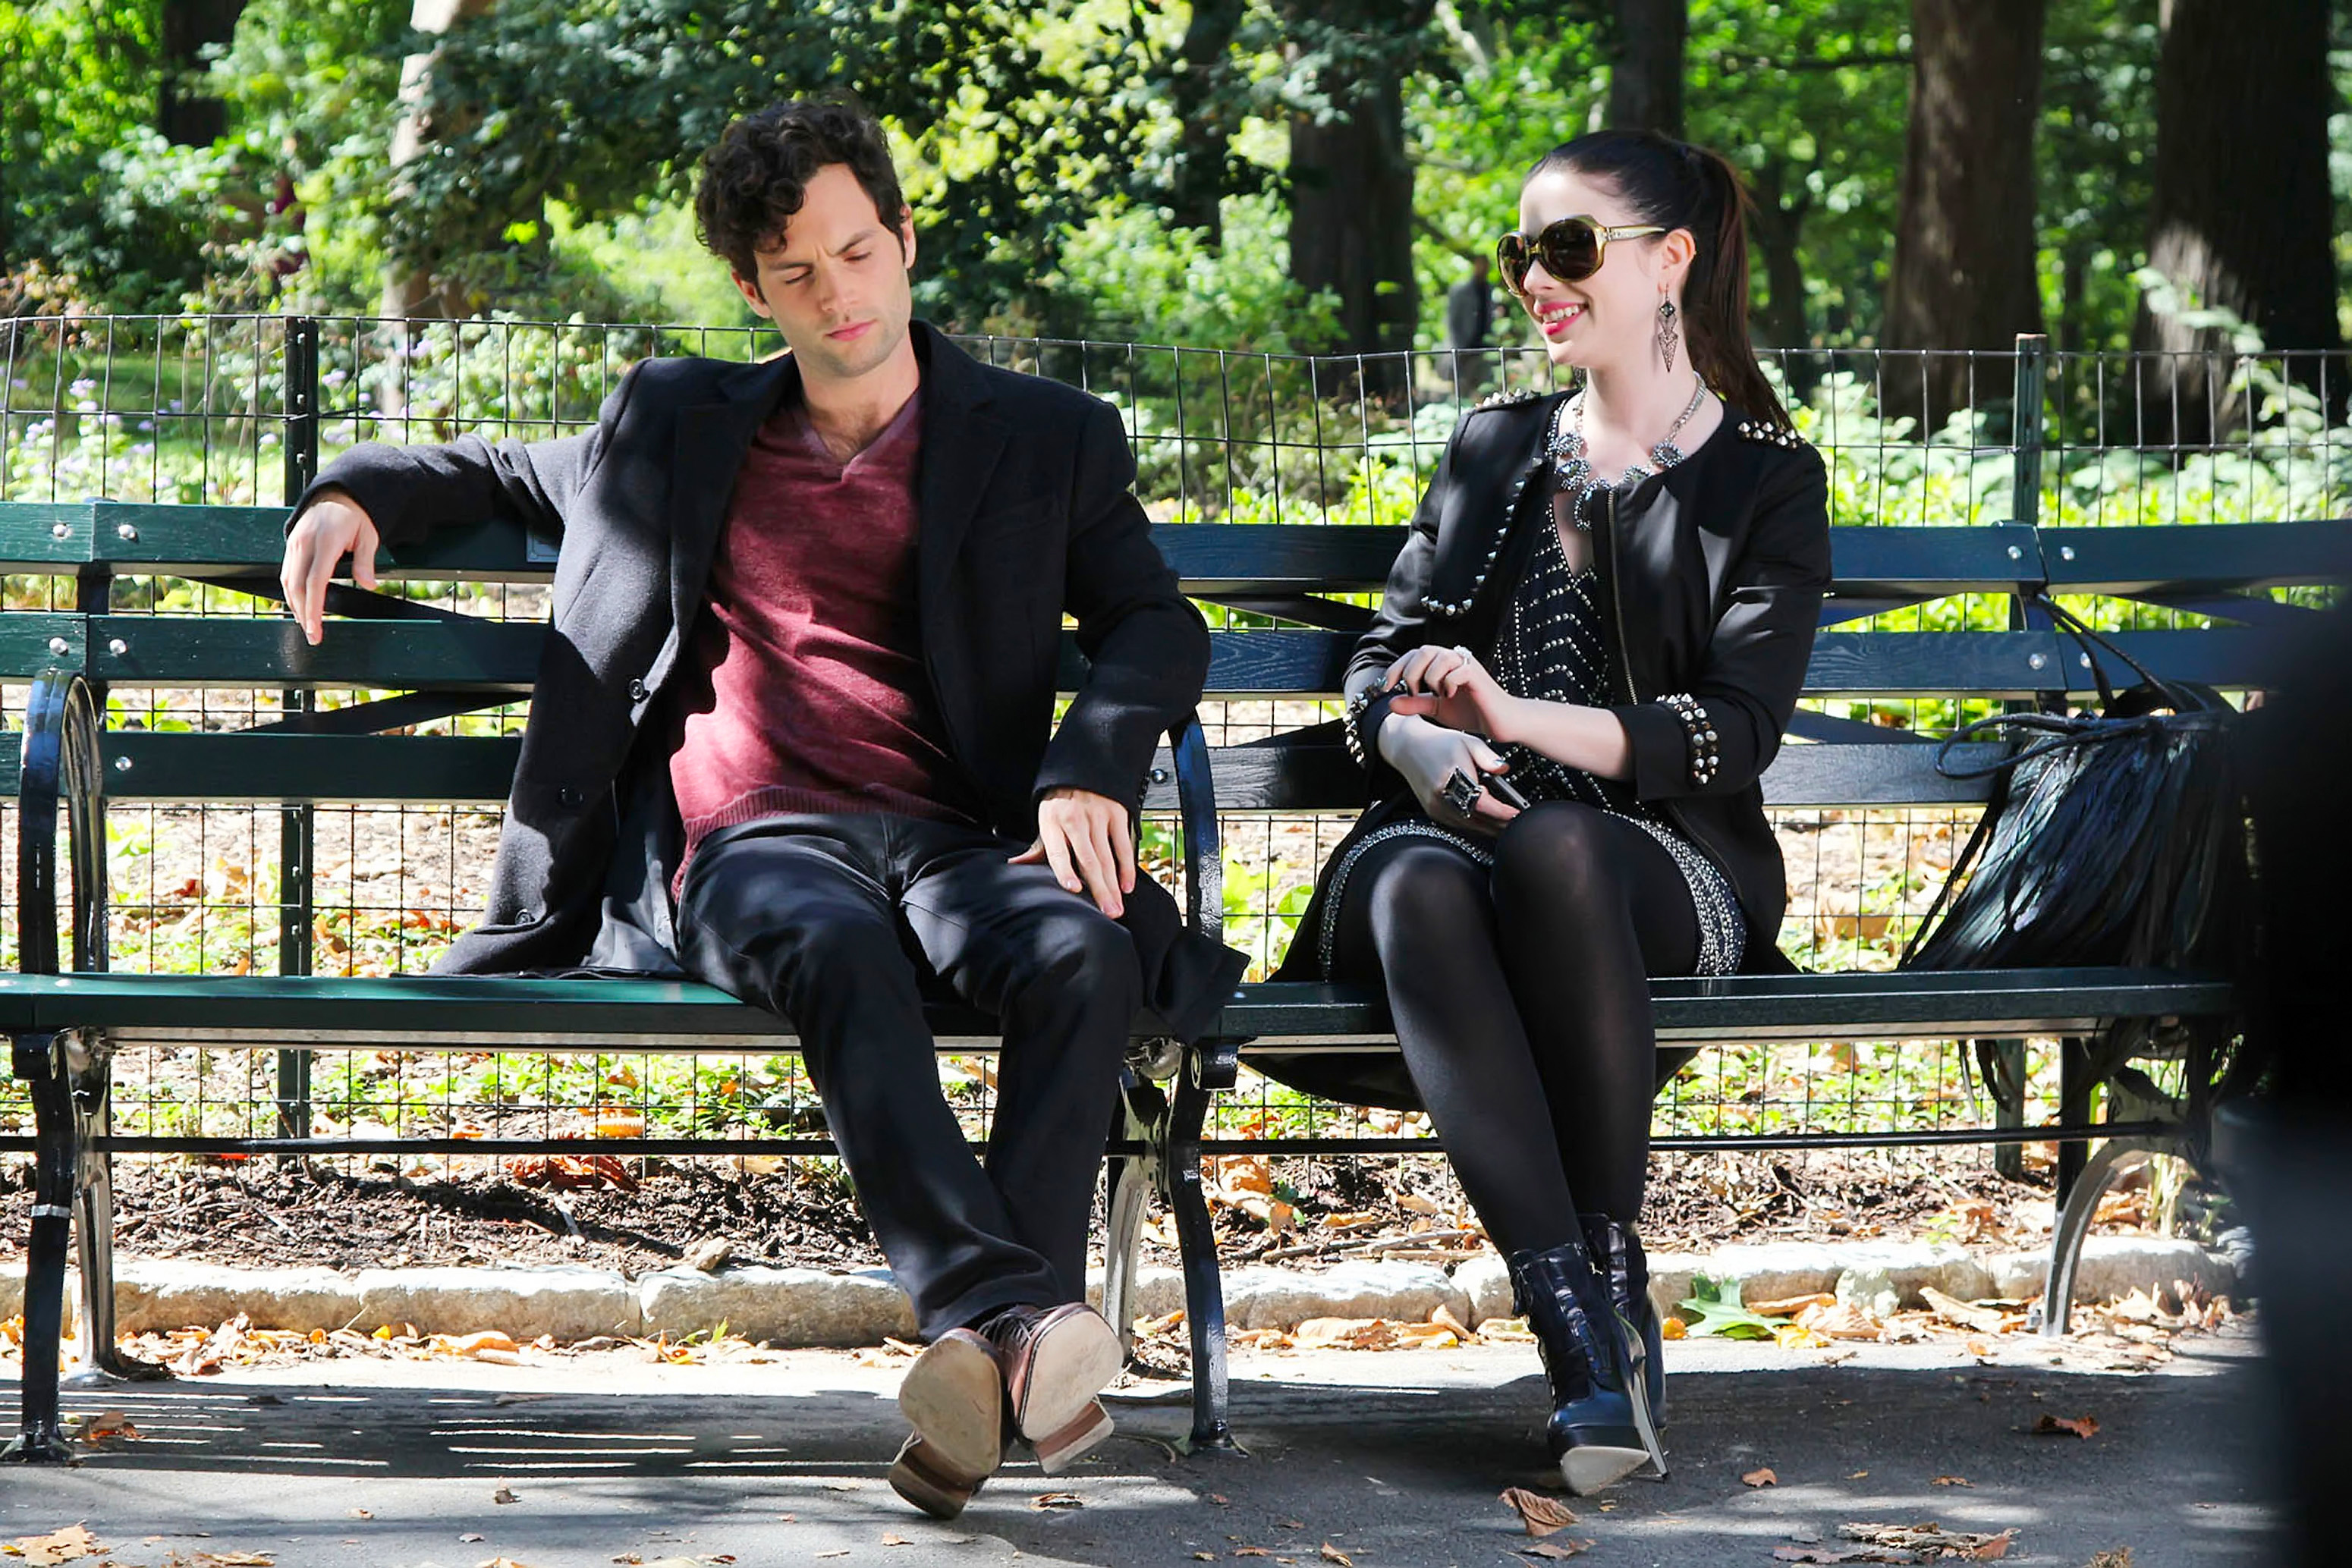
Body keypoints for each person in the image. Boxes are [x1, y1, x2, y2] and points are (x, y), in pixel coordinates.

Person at [277, 96, 1245, 1521]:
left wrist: (1091, 757)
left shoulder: (1045, 436)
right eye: (797, 272)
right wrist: (351, 488)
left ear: (906, 242)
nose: (837, 294)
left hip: (959, 838)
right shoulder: (680, 423)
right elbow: (495, 471)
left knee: (1079, 945)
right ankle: (1014, 1316)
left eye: (858, 252)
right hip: (751, 846)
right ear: (753, 286)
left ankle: (987, 1361)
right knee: (830, 947)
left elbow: (1156, 623)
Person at [1266, 129, 1831, 1494]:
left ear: (1669, 263)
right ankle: (1580, 1324)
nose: (1535, 277)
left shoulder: (1766, 481)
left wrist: (1513, 720)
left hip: (1654, 864)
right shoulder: (1496, 450)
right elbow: (1375, 662)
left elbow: (1731, 734)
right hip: (1437, 834)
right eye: (1524, 251)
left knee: (1561, 843)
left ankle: (1605, 1262)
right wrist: (1411, 747)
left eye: (1568, 248)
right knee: (1414, 881)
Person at [1445, 253, 1495, 391]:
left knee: (1483, 386)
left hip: (1484, 345)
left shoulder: (1489, 289)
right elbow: (1452, 321)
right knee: (1462, 386)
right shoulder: (1460, 290)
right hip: (1464, 346)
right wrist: (1458, 347)